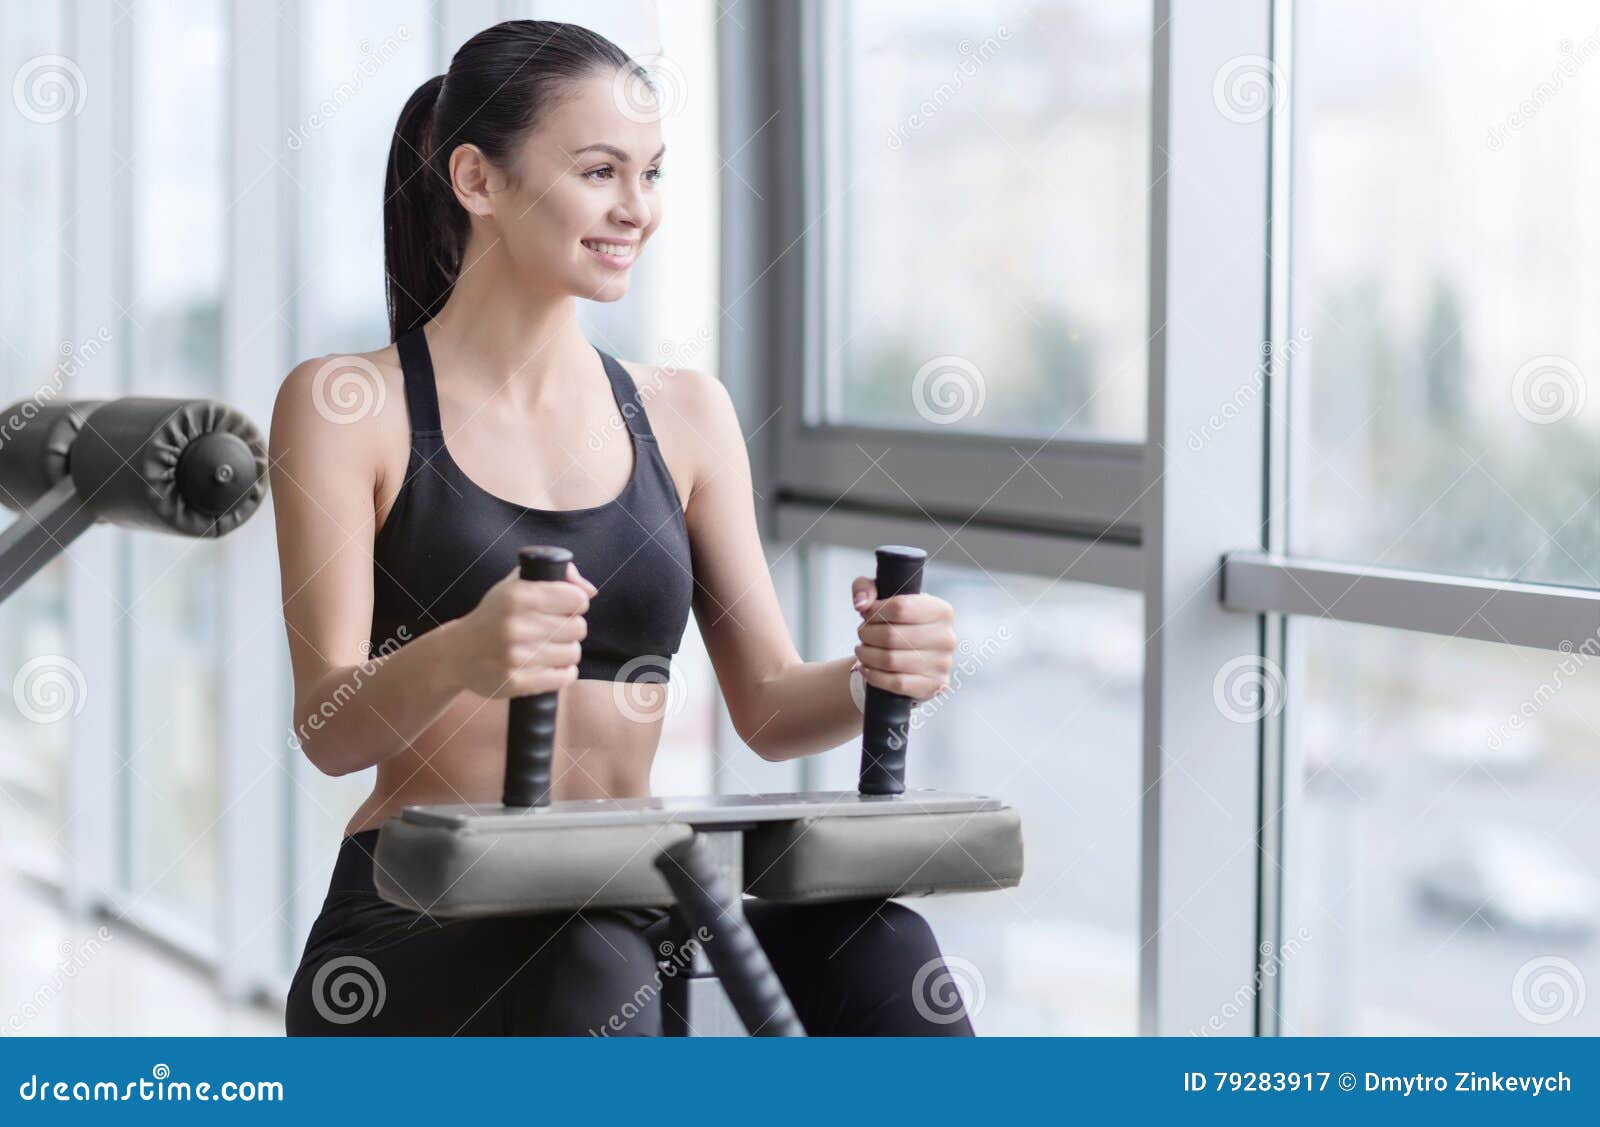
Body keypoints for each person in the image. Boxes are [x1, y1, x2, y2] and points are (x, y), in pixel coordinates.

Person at [271, 19, 966, 1036]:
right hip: (420, 913)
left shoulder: (685, 411)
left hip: (631, 905)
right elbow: (327, 727)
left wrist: (876, 670)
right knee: (589, 958)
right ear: (477, 179)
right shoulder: (347, 403)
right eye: (600, 171)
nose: (635, 209)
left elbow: (770, 708)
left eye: (650, 173)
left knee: (886, 948)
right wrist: (466, 649)